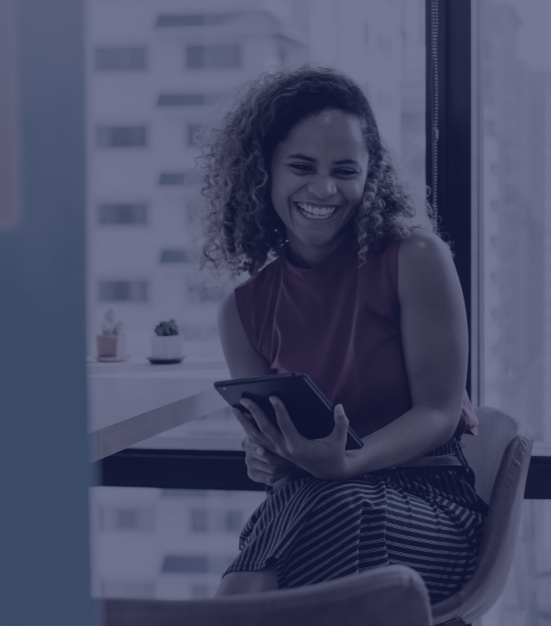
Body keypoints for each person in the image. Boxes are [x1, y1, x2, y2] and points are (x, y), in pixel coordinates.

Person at [198, 67, 487, 603]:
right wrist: (269, 459)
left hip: (430, 507)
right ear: (263, 173)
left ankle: (226, 612)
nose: (325, 189)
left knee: (329, 506)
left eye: (345, 170)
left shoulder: (416, 260)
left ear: (370, 175)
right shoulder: (241, 312)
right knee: (319, 505)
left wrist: (349, 463)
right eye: (302, 167)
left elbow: (438, 412)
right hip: (316, 512)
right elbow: (278, 458)